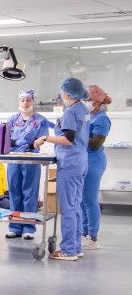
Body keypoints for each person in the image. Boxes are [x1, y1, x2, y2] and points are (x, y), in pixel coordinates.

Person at [34, 78, 91, 261]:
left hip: (70, 163)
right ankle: (76, 247)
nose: (60, 95)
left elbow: (68, 139)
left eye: (61, 91)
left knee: (68, 208)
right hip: (80, 161)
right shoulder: (83, 109)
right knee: (75, 207)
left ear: (68, 93)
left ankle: (68, 250)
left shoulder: (71, 112)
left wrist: (46, 138)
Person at [5, 89, 50, 241]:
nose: (25, 103)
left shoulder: (41, 121)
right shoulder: (12, 119)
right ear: (19, 101)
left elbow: (39, 141)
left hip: (31, 160)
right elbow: (5, 139)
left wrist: (28, 144)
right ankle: (15, 227)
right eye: (22, 100)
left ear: (33, 101)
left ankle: (29, 227)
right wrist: (17, 143)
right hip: (14, 160)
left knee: (30, 193)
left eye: (28, 100)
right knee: (14, 192)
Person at [81, 85, 112, 250]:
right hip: (84, 160)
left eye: (89, 100)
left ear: (98, 102)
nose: (86, 103)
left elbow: (96, 144)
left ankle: (93, 238)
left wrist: (76, 136)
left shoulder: (102, 118)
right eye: (84, 99)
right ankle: (84, 233)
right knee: (81, 202)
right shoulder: (89, 116)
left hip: (94, 161)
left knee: (90, 201)